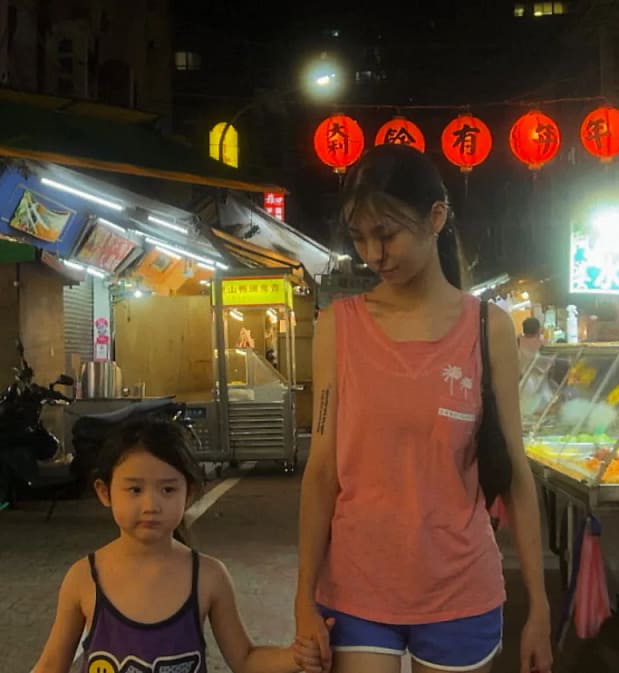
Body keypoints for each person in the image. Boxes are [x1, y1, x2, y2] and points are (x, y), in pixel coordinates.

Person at [295, 145, 552, 673]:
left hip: (461, 586)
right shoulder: (338, 326)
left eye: (386, 234)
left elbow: (514, 470)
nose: (373, 254)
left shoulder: (488, 327)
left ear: (436, 218)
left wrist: (540, 608)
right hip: (356, 584)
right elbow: (321, 472)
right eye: (359, 237)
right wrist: (303, 596)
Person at [32, 419, 319, 673]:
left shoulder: (208, 576)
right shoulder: (83, 577)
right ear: (104, 492)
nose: (151, 505)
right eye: (135, 489)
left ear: (188, 493)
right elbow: (50, 666)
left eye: (168, 489)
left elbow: (245, 659)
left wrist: (295, 657)